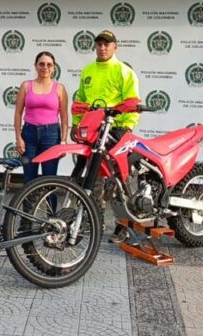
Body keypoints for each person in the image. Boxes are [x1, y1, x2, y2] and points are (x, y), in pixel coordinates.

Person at [71, 30, 141, 242]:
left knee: (120, 180)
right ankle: (96, 221)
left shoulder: (124, 71)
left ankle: (124, 226)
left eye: (107, 44)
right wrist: (76, 125)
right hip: (94, 132)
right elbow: (80, 100)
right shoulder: (88, 70)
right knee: (94, 179)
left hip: (116, 132)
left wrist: (125, 129)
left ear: (114, 47)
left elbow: (133, 103)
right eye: (99, 44)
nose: (102, 47)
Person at [13, 51, 69, 184]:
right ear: (35, 66)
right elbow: (18, 113)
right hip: (29, 135)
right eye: (41, 64)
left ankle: (51, 206)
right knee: (29, 179)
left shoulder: (60, 88)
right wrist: (18, 138)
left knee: (49, 179)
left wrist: (63, 141)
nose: (45, 67)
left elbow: (64, 117)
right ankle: (28, 206)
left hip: (51, 135)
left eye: (49, 64)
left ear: (54, 67)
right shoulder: (26, 86)